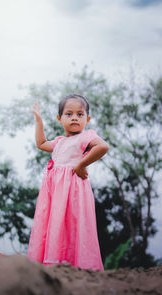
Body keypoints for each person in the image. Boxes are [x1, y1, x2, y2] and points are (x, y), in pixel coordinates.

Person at [27, 94, 109, 271]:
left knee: (74, 226)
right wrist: (39, 121)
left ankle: (78, 264)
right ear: (59, 118)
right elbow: (41, 143)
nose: (74, 118)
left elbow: (103, 147)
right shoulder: (59, 142)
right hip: (55, 193)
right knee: (55, 225)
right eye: (69, 114)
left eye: (80, 114)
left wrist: (82, 164)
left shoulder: (86, 137)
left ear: (87, 119)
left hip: (74, 193)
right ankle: (53, 262)